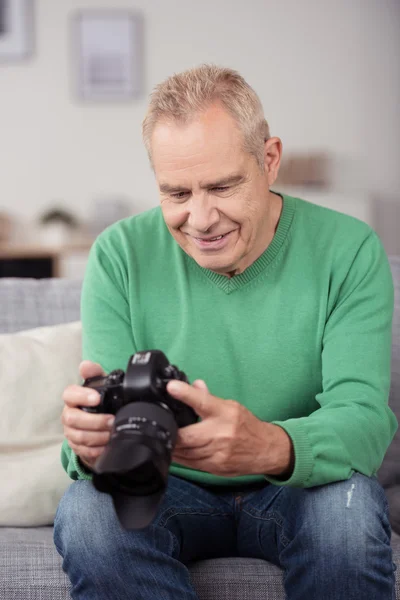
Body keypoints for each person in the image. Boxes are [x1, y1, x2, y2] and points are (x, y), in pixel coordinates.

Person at [54, 64, 398, 599]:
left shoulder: (348, 250)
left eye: (222, 186)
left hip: (299, 489)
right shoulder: (120, 253)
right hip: (167, 485)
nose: (201, 218)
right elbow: (108, 427)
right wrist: (88, 445)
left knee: (346, 517)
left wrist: (270, 446)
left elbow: (365, 419)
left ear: (269, 160)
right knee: (89, 516)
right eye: (177, 193)